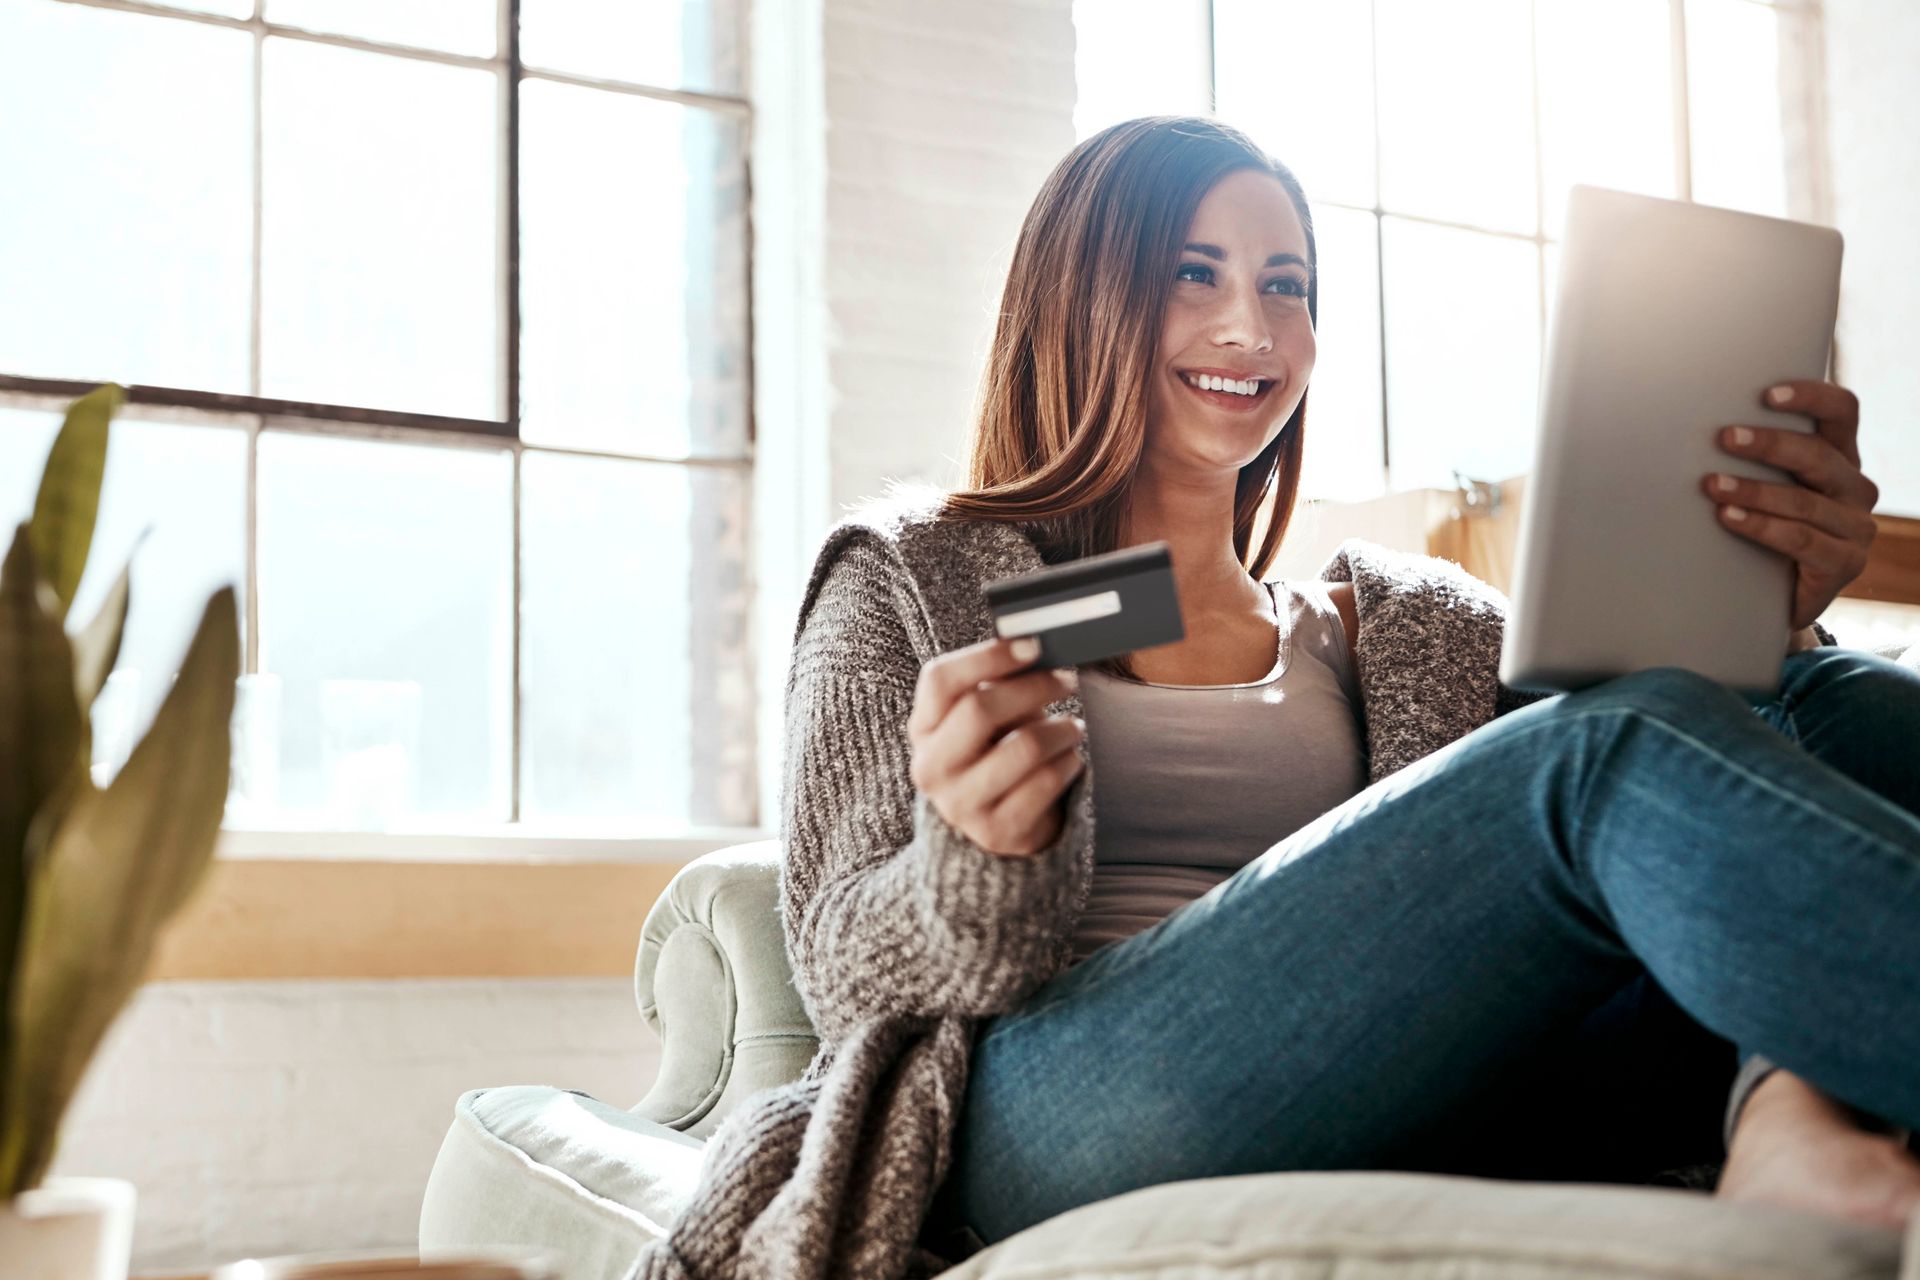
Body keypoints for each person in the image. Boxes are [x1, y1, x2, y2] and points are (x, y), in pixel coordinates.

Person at [630, 116, 1920, 1280]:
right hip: (1057, 1100)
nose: (1252, 327)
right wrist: (971, 859)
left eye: (1286, 286)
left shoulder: (1404, 625)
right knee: (1602, 757)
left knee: (1839, 700)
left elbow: (1711, 780)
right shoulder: (922, 577)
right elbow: (845, 970)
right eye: (1193, 275)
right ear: (1077, 298)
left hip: (1434, 1084)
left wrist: (1770, 603)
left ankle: (1792, 1108)